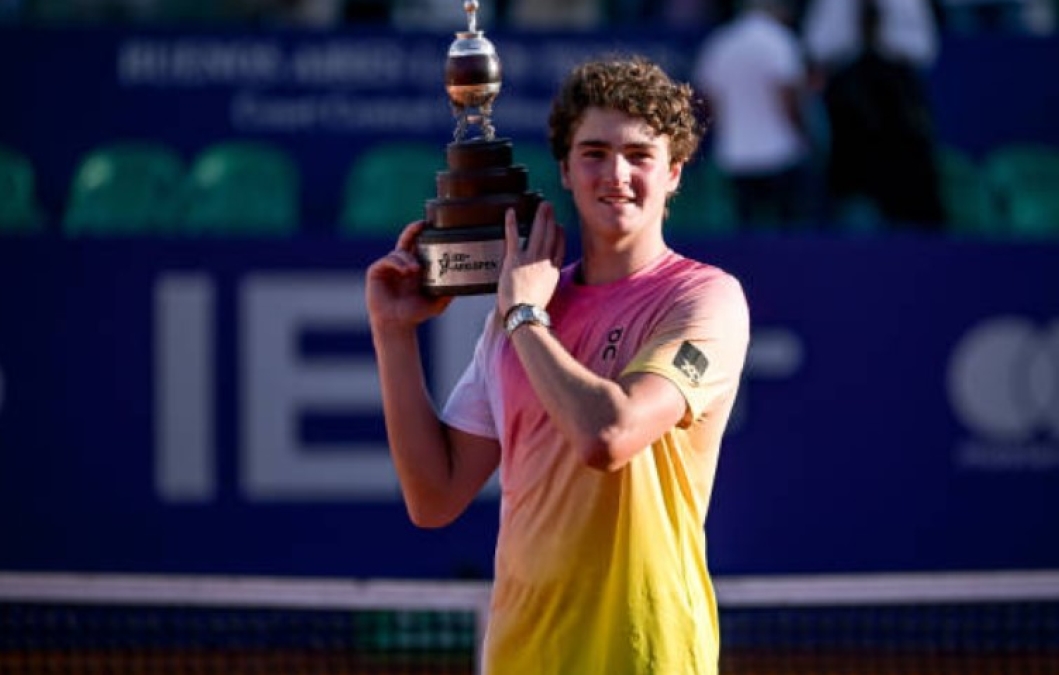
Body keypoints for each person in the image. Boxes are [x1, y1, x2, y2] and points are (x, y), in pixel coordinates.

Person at [365, 55, 751, 674]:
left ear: (674, 172)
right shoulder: (517, 315)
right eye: (594, 153)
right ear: (566, 171)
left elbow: (609, 435)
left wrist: (524, 316)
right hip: (523, 656)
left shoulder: (706, 299)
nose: (616, 174)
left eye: (639, 156)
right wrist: (392, 335)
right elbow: (433, 497)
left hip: (649, 657)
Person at [805, 0, 945, 230]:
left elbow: (925, 49)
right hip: (851, 104)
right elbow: (817, 47)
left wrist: (885, 46)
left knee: (907, 188)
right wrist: (853, 46)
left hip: (895, 103)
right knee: (853, 197)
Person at [694, 0, 814, 230]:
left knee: (744, 232)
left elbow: (708, 101)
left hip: (734, 155)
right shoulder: (780, 40)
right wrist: (805, 136)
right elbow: (788, 98)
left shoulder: (720, 42)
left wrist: (728, 133)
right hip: (781, 153)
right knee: (787, 233)